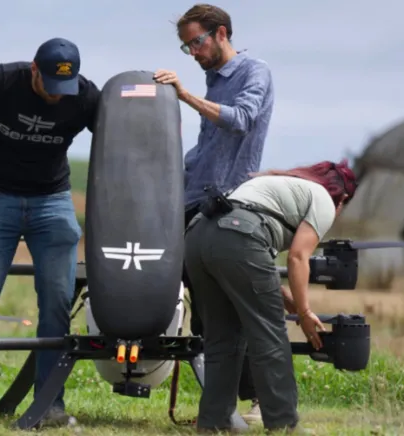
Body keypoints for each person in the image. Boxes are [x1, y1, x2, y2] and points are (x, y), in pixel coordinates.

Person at [0, 37, 101, 427]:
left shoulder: (86, 95)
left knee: (58, 300)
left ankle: (50, 403)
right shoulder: (0, 82)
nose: (58, 97)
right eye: (49, 87)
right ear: (33, 70)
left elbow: (118, 140)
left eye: (66, 88)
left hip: (52, 200)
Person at [153, 3, 275, 422]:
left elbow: (240, 121)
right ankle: (225, 407)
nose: (193, 52)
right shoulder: (211, 78)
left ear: (222, 33)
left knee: (241, 308)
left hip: (231, 205)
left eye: (196, 42)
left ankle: (261, 400)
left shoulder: (254, 72)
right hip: (193, 203)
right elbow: (206, 149)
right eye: (186, 47)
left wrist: (185, 96)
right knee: (207, 312)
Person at [183, 159, 357, 433]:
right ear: (343, 197)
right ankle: (284, 422)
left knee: (221, 335)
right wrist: (304, 313)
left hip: (197, 235)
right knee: (269, 334)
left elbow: (247, 264)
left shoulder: (278, 186)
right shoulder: (323, 199)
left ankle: (215, 421)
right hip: (238, 235)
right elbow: (298, 257)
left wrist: (291, 301)